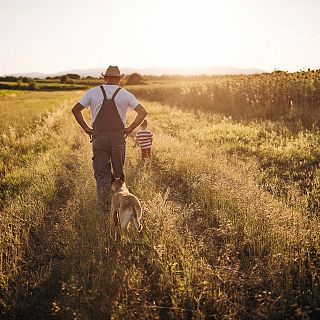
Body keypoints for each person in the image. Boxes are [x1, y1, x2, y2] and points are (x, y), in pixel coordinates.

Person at [72, 65, 147, 211]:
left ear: (105, 78)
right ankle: (119, 207)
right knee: (118, 175)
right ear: (119, 80)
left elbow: (75, 110)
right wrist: (130, 128)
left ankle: (103, 208)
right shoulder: (125, 94)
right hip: (118, 138)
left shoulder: (92, 93)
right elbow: (143, 112)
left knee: (101, 175)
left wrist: (87, 128)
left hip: (99, 137)